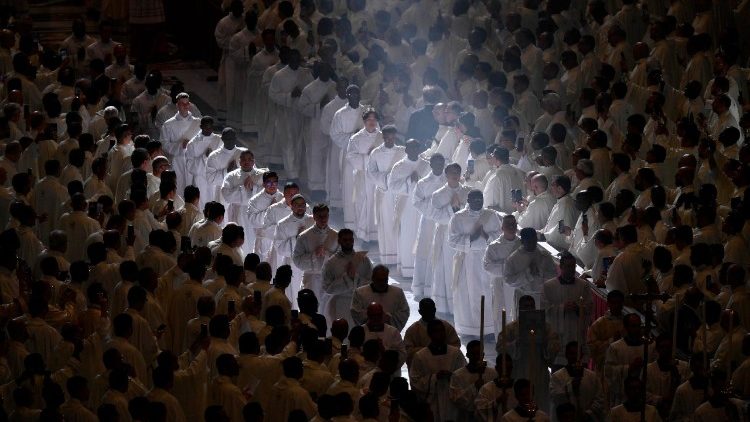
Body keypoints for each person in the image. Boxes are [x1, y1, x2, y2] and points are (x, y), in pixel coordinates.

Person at [448, 189, 500, 337]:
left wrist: (486, 236)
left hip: (488, 259)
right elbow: (452, 241)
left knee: (489, 294)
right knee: (468, 294)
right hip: (468, 261)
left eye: (480, 199)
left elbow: (499, 235)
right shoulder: (458, 217)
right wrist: (471, 238)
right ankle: (469, 329)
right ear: (468, 200)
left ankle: (489, 329)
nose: (478, 202)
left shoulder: (491, 215)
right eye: (475, 199)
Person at [429, 163, 471, 314]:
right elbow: (435, 216)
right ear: (446, 175)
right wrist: (451, 208)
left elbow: (473, 213)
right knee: (448, 268)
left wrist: (460, 209)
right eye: (452, 172)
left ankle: (463, 305)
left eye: (457, 172)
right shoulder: (438, 194)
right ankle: (449, 306)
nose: (455, 175)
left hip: (464, 234)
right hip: (446, 235)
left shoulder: (467, 192)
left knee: (464, 271)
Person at [409, 319, 467, 422]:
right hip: (432, 402)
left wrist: (452, 376)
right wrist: (434, 378)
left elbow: (464, 375)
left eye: (442, 331)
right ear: (429, 334)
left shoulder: (455, 353)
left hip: (452, 401)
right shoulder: (420, 356)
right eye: (436, 331)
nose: (440, 334)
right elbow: (415, 381)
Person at [541, 251, 592, 366]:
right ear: (561, 267)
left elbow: (589, 307)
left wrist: (578, 308)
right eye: (568, 266)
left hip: (577, 333)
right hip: (559, 336)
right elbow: (544, 309)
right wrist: (562, 308)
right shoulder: (549, 286)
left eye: (573, 266)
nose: (571, 269)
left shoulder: (583, 285)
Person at [367, 125, 406, 265]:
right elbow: (371, 172)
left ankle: (400, 257)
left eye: (392, 138)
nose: (390, 140)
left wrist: (398, 182)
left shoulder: (402, 152)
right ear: (383, 137)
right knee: (386, 223)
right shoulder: (376, 153)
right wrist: (386, 180)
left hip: (398, 193)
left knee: (399, 223)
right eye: (387, 138)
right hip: (384, 192)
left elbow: (406, 169)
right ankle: (388, 257)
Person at [411, 153, 446, 300]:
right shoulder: (423, 183)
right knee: (424, 252)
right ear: (430, 164)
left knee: (440, 253)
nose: (439, 166)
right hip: (428, 222)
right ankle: (423, 287)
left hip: (444, 222)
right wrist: (434, 209)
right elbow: (416, 202)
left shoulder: (448, 181)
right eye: (436, 163)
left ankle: (438, 288)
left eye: (441, 163)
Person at [321, 228, 373, 329]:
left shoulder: (363, 260)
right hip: (340, 303)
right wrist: (347, 278)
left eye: (350, 239)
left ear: (353, 240)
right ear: (339, 241)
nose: (348, 242)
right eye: (345, 240)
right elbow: (327, 288)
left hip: (361, 303)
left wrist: (355, 278)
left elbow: (371, 283)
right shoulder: (331, 263)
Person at [345, 109, 383, 243]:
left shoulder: (382, 137)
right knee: (362, 204)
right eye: (369, 120)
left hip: (377, 177)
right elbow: (351, 156)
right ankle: (363, 235)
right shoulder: (356, 138)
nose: (372, 122)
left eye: (374, 119)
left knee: (377, 204)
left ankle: (376, 236)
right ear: (364, 121)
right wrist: (368, 157)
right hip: (363, 176)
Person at [329, 85, 365, 225]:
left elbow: (375, 129)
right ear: (347, 96)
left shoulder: (366, 112)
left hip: (364, 156)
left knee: (363, 189)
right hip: (348, 154)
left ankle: (362, 222)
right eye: (352, 94)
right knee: (349, 186)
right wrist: (352, 136)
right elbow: (335, 134)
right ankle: (350, 220)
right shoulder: (340, 114)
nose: (355, 97)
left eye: (357, 94)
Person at [605, 313, 657, 407]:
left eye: (639, 325)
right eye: (633, 326)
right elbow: (609, 372)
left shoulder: (650, 346)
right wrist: (629, 368)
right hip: (623, 398)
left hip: (645, 397)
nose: (637, 329)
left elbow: (655, 369)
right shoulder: (615, 348)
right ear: (626, 327)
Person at [292, 204, 338, 307]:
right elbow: (297, 260)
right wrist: (313, 255)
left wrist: (327, 254)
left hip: (330, 280)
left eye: (325, 216)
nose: (323, 219)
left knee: (329, 311)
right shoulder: (304, 237)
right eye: (320, 216)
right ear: (314, 217)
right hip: (311, 280)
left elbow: (342, 260)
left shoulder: (336, 236)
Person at [549, 341, 605, 422]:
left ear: (581, 355)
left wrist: (588, 414)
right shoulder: (557, 377)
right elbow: (556, 398)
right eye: (571, 354)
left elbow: (599, 399)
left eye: (576, 354)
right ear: (566, 355)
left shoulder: (592, 377)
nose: (574, 357)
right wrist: (570, 387)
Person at [274, 193, 314, 305]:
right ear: (291, 206)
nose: (300, 207)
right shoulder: (283, 224)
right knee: (294, 294)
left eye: (303, 205)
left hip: (310, 263)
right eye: (297, 205)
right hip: (293, 264)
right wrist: (296, 238)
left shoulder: (312, 221)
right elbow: (279, 248)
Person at [503, 228, 557, 312]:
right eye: (529, 241)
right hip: (523, 297)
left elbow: (553, 276)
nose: (532, 244)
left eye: (534, 241)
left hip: (542, 296)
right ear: (522, 241)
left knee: (543, 319)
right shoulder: (513, 259)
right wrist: (528, 273)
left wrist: (541, 272)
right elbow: (508, 280)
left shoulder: (544, 256)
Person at [484, 214, 522, 326]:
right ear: (502, 228)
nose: (511, 227)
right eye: (508, 224)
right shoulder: (494, 246)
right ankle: (501, 337)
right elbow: (487, 266)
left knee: (517, 315)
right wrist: (507, 266)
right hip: (500, 286)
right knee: (500, 316)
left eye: (513, 224)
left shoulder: (522, 244)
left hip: (518, 286)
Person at [160, 92, 201, 194]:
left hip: (194, 161)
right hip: (177, 161)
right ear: (177, 105)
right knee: (179, 188)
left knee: (194, 189)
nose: (185, 106)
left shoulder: (197, 123)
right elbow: (164, 144)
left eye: (187, 103)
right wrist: (180, 145)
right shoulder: (168, 124)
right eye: (182, 104)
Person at [351, 265, 409, 332]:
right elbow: (356, 312)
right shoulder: (360, 293)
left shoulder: (398, 293)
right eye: (379, 280)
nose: (382, 283)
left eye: (385, 280)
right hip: (368, 334)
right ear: (373, 278)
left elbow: (404, 312)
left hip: (390, 334)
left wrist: (388, 317)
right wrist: (374, 318)